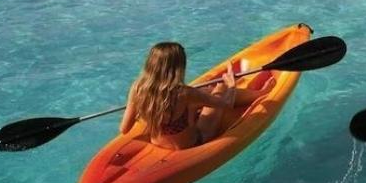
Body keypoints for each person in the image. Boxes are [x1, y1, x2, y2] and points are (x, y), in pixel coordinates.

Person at [118, 42, 276, 149]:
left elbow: (124, 129)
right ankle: (262, 93)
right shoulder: (184, 93)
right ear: (178, 68)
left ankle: (207, 96)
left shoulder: (137, 88)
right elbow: (227, 104)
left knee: (201, 96)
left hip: (158, 142)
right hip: (193, 142)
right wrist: (231, 85)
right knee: (219, 89)